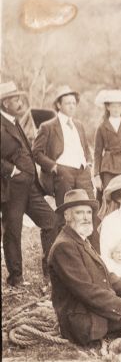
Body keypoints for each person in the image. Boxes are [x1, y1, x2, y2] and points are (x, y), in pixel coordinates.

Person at [48, 189, 121, 346]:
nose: (86, 217)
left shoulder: (80, 239)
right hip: (84, 319)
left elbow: (107, 276)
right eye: (79, 213)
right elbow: (86, 291)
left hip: (98, 307)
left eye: (88, 212)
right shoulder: (64, 246)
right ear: (67, 216)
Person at [1, 82, 59, 286]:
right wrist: (11, 170)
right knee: (13, 232)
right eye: (15, 99)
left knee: (51, 221)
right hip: (11, 187)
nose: (19, 102)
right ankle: (16, 278)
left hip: (30, 186)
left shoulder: (14, 121)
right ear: (5, 103)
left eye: (18, 98)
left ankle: (50, 270)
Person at [32, 85, 94, 206]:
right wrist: (54, 166)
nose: (72, 106)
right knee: (66, 210)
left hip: (83, 173)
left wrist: (89, 163)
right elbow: (36, 152)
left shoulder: (79, 125)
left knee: (90, 207)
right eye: (67, 103)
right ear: (59, 105)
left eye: (74, 103)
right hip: (63, 173)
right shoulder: (48, 126)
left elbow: (85, 147)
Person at [93, 89, 121, 191]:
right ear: (108, 107)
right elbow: (97, 153)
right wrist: (96, 175)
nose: (116, 109)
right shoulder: (102, 127)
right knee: (109, 195)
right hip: (108, 167)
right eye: (113, 106)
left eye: (119, 106)